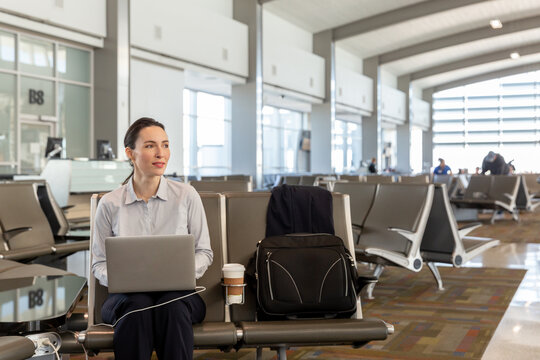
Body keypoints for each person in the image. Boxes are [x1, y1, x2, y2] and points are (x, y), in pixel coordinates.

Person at [92, 117, 213, 360]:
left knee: (172, 305)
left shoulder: (186, 196)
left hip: (179, 296)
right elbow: (98, 264)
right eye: (150, 146)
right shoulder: (110, 204)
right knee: (137, 306)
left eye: (165, 145)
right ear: (130, 153)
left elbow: (204, 252)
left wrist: (185, 272)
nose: (161, 153)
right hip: (125, 299)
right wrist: (121, 279)